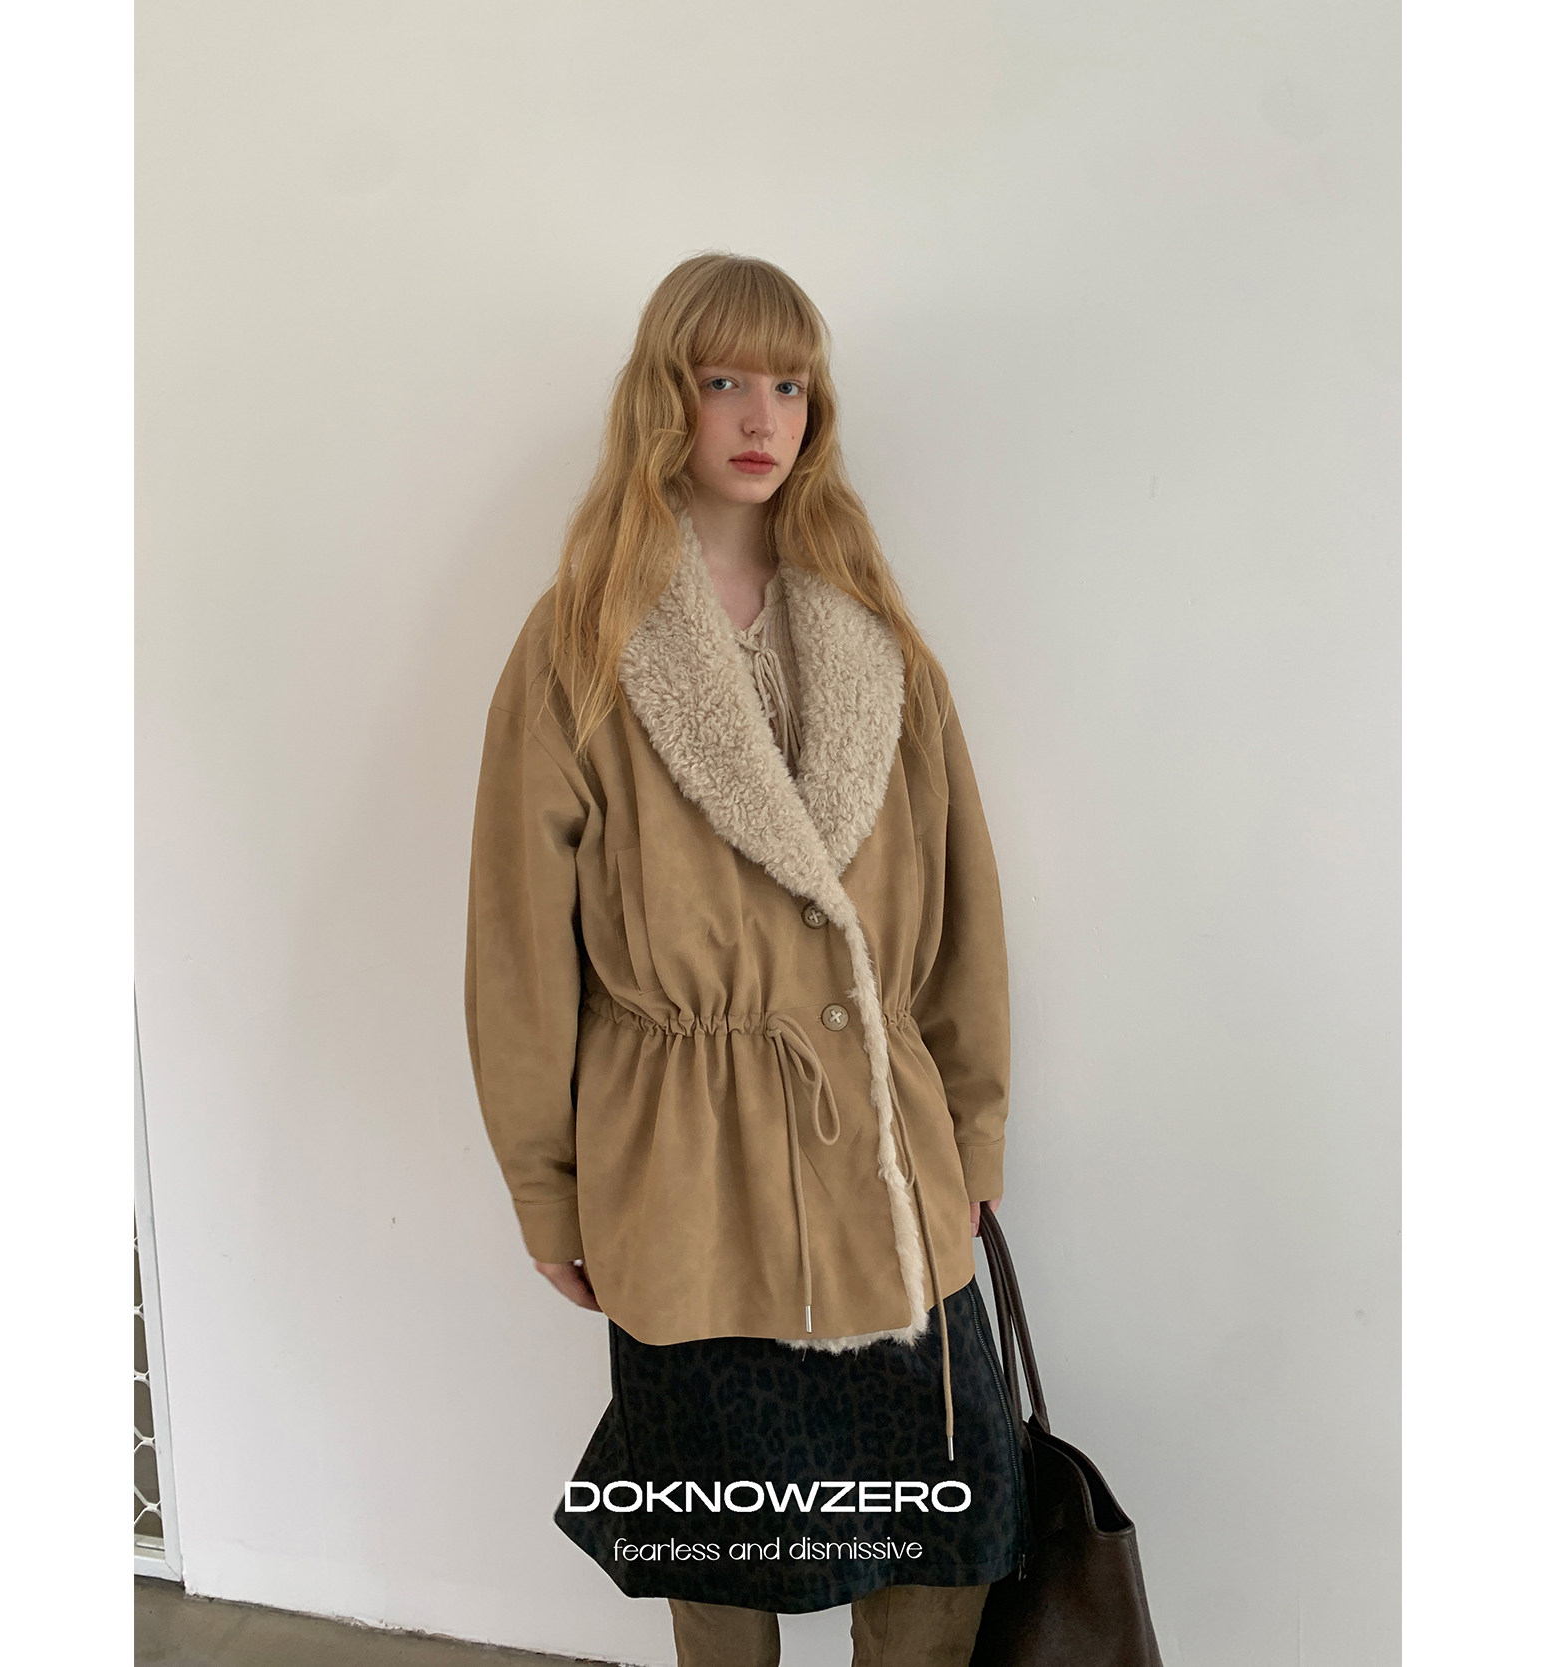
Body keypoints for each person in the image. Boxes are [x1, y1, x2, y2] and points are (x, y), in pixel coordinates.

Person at [465, 252, 1024, 1667]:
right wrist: (546, 1188)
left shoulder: (875, 633)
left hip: (888, 1162)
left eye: (789, 382)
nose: (760, 415)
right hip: (679, 1171)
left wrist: (973, 1136)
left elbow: (963, 911)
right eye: (722, 380)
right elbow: (519, 948)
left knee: (935, 1537)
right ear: (665, 398)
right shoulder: (584, 640)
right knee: (718, 1549)